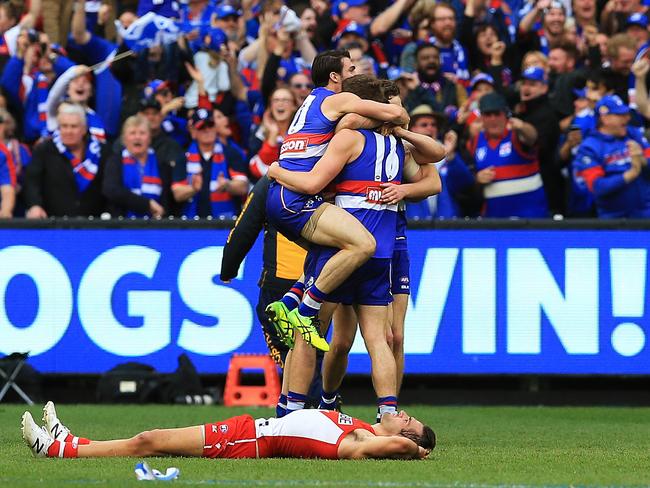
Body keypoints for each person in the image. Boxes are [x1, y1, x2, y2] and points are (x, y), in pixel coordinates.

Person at [269, 76, 444, 420]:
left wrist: (276, 171)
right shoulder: (397, 149)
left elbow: (315, 181)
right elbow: (437, 157)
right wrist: (397, 124)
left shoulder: (345, 139)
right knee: (379, 338)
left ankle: (289, 412)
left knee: (310, 332)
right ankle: (387, 412)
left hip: (342, 246)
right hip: (381, 252)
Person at [265, 50, 410, 353]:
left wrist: (277, 170)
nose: (355, 73)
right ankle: (305, 310)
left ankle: (290, 300)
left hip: (282, 199)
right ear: (334, 77)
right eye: (350, 68)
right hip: (296, 197)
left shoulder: (310, 102)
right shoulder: (337, 99)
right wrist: (386, 117)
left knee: (330, 252)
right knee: (363, 244)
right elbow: (398, 115)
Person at [23, 401, 435, 460]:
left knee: (149, 441)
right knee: (147, 439)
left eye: (409, 422)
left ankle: (56, 451)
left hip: (247, 440)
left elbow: (396, 444)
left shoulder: (363, 443)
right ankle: (68, 440)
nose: (401, 415)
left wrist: (416, 452)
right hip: (248, 428)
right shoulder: (360, 425)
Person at [468, 92, 547, 218]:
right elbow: (468, 174)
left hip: (530, 218)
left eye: (497, 114)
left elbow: (532, 137)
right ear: (482, 118)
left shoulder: (517, 134)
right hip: (495, 220)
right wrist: (477, 179)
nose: (493, 119)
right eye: (488, 115)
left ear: (505, 115)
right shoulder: (476, 141)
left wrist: (522, 126)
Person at [573, 94, 650, 218]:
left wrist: (642, 160)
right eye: (621, 115)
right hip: (614, 220)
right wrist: (629, 175)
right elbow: (596, 187)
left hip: (646, 213)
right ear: (605, 118)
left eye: (627, 114)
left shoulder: (633, 134)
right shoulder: (589, 147)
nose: (627, 118)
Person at [24, 102, 105, 218]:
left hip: (95, 223)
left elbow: (109, 187)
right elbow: (32, 181)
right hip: (54, 222)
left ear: (84, 129)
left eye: (74, 126)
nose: (68, 131)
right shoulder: (45, 149)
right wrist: (34, 205)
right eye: (64, 126)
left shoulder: (101, 151)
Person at [103, 115, 171, 218]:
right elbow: (111, 190)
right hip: (122, 226)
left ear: (149, 138)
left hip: (155, 226)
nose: (137, 137)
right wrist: (147, 204)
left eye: (142, 133)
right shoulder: (115, 161)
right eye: (132, 133)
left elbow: (166, 198)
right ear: (124, 139)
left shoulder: (161, 164)